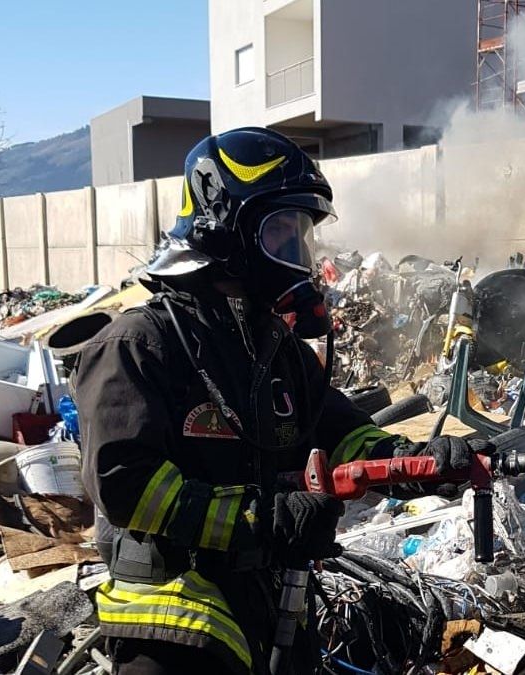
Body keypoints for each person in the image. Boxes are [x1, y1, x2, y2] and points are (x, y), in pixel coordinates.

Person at [74, 127, 487, 675]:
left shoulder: (275, 346)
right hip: (173, 617)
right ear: (224, 232)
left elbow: (340, 432)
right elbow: (128, 485)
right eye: (281, 234)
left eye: (302, 237)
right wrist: (265, 520)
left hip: (273, 600)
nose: (298, 256)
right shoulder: (139, 345)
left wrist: (425, 464)